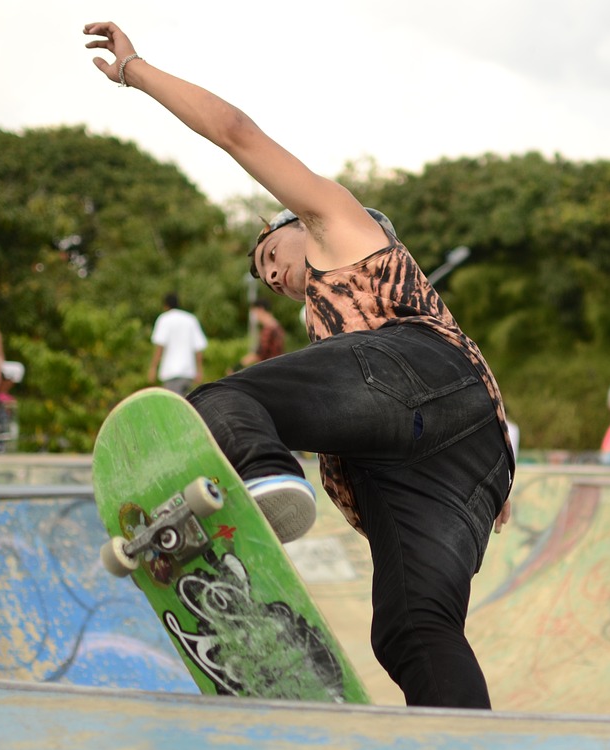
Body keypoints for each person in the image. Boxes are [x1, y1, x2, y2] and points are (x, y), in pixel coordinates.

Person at [84, 21, 514, 709]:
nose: (274, 276)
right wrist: (488, 476)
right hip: (459, 468)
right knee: (411, 628)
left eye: (269, 256)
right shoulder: (331, 323)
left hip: (420, 382)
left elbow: (235, 130)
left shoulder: (338, 225)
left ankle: (265, 476)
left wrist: (136, 70)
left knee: (220, 402)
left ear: (294, 225)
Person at [148, 293, 208, 396]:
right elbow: (198, 348)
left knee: (173, 408)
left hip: (171, 372)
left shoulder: (164, 319)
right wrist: (199, 371)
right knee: (186, 404)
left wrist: (153, 368)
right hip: (188, 373)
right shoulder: (190, 319)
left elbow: (159, 347)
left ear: (165, 305)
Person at [241, 297, 285, 366]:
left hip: (269, 368)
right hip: (276, 366)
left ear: (261, 309)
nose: (253, 315)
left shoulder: (268, 329)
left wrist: (237, 367)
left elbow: (258, 354)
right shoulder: (277, 326)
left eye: (254, 312)